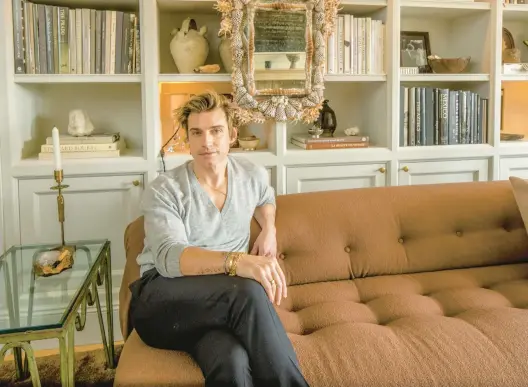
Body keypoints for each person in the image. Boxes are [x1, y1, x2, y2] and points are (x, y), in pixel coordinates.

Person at [128, 90, 309, 387]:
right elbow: (169, 257)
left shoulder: (251, 174)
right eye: (196, 133)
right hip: (162, 299)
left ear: (232, 135)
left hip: (216, 309)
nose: (207, 142)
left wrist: (269, 230)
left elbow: (266, 198)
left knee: (232, 361)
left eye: (216, 131)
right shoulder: (164, 189)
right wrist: (238, 262)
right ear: (187, 139)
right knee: (247, 292)